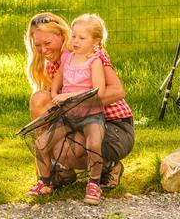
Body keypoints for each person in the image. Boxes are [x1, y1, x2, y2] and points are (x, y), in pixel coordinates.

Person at [24, 12, 134, 191]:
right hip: (79, 122)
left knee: (78, 145)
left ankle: (109, 166)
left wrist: (76, 102)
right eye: (38, 45)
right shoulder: (53, 65)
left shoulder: (89, 55)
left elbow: (118, 91)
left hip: (112, 124)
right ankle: (58, 169)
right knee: (41, 100)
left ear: (61, 36)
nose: (43, 50)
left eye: (48, 43)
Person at [28, 14, 107, 205]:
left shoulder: (94, 61)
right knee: (41, 143)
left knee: (94, 144)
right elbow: (58, 79)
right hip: (68, 116)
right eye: (75, 37)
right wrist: (55, 94)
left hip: (91, 117)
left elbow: (99, 91)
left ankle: (94, 184)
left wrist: (66, 97)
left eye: (81, 38)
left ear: (95, 41)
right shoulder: (68, 59)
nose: (76, 41)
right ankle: (45, 181)